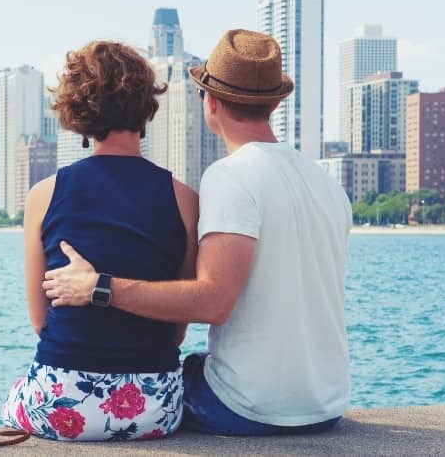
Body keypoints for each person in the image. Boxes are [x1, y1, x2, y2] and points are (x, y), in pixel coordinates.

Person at [43, 29, 352, 437]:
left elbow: (213, 303)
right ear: (276, 102)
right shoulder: (327, 182)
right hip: (325, 407)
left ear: (211, 101)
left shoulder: (231, 177)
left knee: (167, 379)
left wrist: (99, 288)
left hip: (250, 408)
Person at [2, 41, 198, 441]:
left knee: (9, 403)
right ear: (146, 108)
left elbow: (41, 322)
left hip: (59, 407)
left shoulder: (44, 194)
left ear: (78, 115)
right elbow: (177, 331)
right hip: (153, 410)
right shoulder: (185, 200)